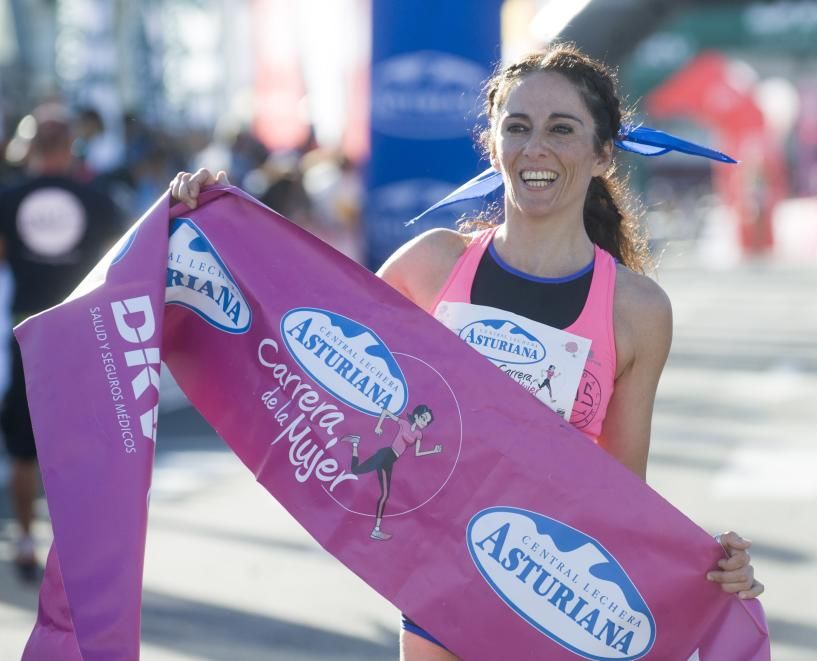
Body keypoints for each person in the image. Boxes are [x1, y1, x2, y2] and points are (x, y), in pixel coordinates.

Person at [170, 42, 763, 661]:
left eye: (562, 129)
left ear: (602, 153)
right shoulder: (433, 265)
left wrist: (707, 567)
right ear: (493, 143)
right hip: (439, 584)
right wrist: (210, 228)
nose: (536, 148)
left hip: (550, 592)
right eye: (518, 127)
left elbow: (622, 497)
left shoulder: (637, 312)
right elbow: (302, 327)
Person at [0, 104, 125, 582]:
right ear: (71, 147)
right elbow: (123, 263)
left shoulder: (9, 199)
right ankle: (79, 548)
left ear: (29, 147)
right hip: (83, 332)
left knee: (23, 445)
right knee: (85, 444)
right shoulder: (97, 199)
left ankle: (28, 541)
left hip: (26, 331)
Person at [348, 404, 442, 541]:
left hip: (390, 460)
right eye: (423, 418)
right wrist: (378, 426)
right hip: (386, 455)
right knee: (381, 492)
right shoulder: (404, 423)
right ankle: (376, 530)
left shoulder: (418, 434)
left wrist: (434, 451)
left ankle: (355, 443)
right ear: (416, 416)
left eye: (426, 422)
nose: (424, 423)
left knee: (362, 476)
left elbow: (417, 452)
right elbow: (385, 412)